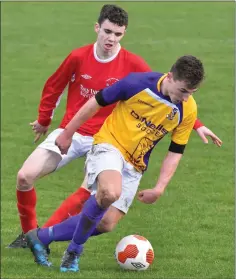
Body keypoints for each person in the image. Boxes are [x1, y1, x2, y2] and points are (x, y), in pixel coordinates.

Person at [9, 4, 222, 249]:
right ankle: (29, 236)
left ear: (124, 34)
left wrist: (197, 124)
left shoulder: (133, 63)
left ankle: (41, 238)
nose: (111, 38)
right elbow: (54, 86)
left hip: (107, 139)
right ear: (97, 28)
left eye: (118, 34)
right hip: (73, 131)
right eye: (107, 31)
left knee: (91, 195)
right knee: (24, 176)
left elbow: (168, 95)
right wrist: (45, 121)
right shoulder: (78, 56)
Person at [26, 55, 207, 272]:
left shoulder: (188, 109)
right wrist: (67, 133)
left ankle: (41, 237)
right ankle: (73, 253)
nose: (186, 98)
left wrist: (159, 188)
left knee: (106, 223)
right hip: (108, 145)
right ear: (169, 77)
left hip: (135, 163)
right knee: (110, 193)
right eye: (183, 91)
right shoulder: (137, 84)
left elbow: (175, 151)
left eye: (191, 93)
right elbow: (94, 102)